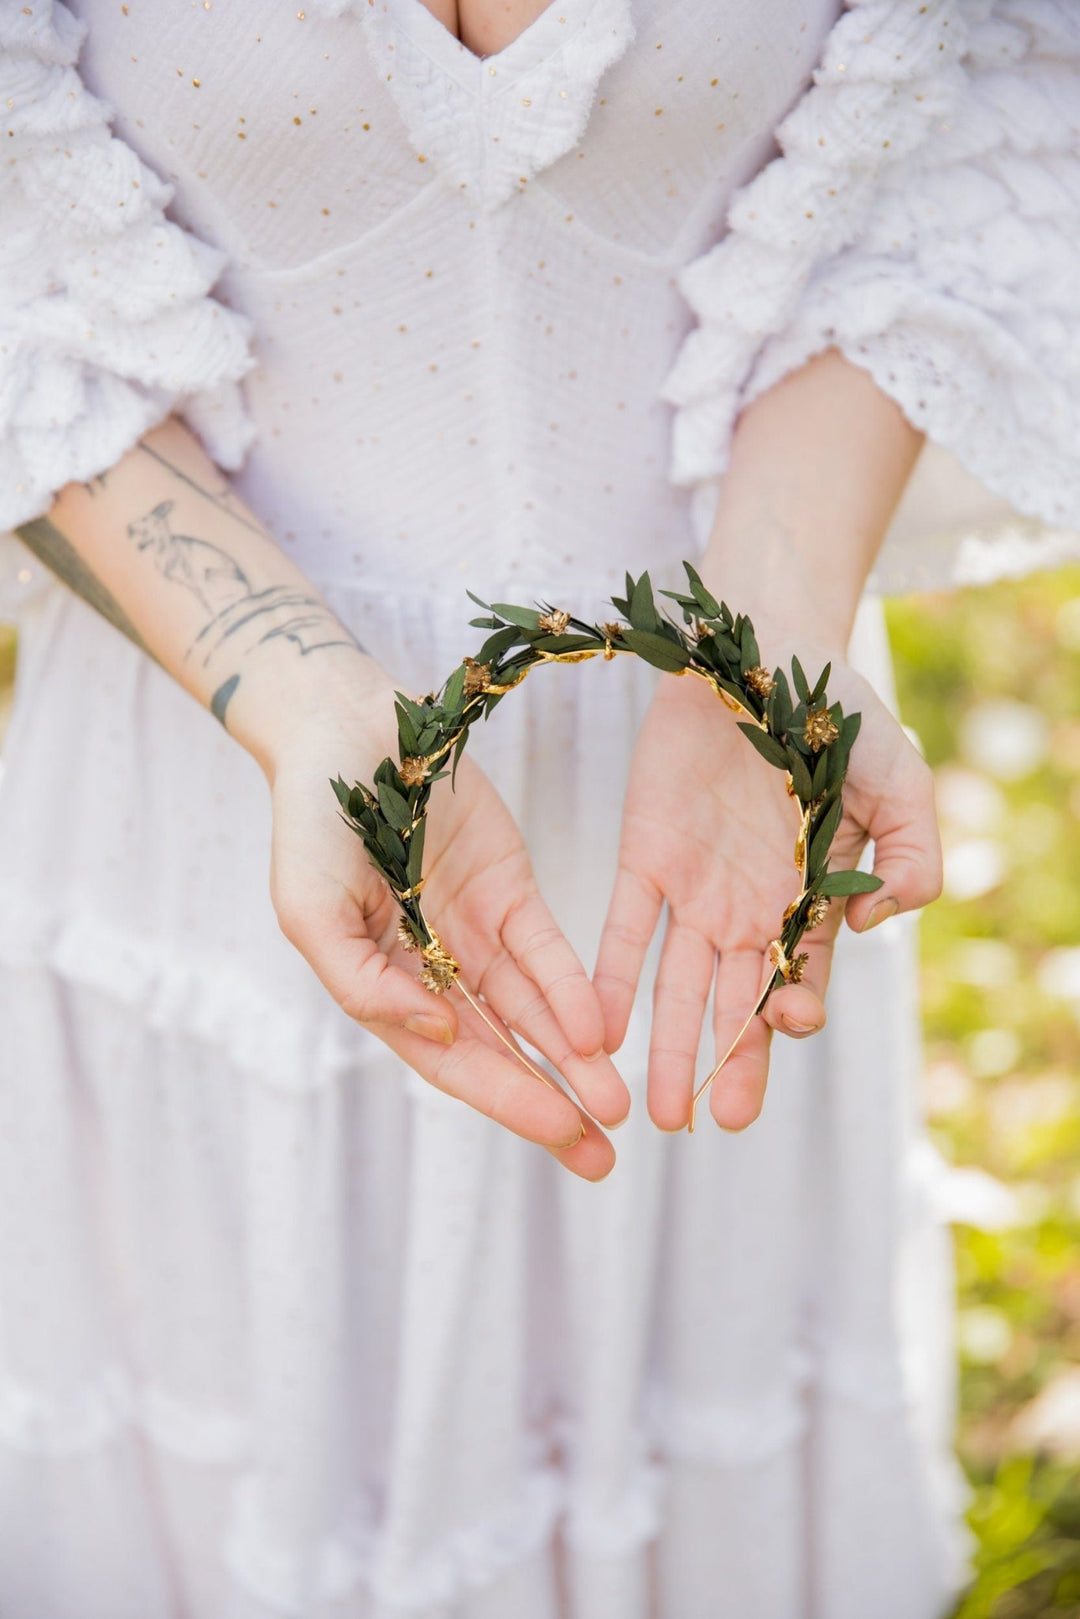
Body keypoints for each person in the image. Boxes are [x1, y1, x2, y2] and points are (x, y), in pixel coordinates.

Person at [0, 1, 1076, 1615]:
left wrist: (764, 643)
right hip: (206, 776)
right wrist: (297, 699)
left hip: (719, 809)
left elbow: (959, 145)